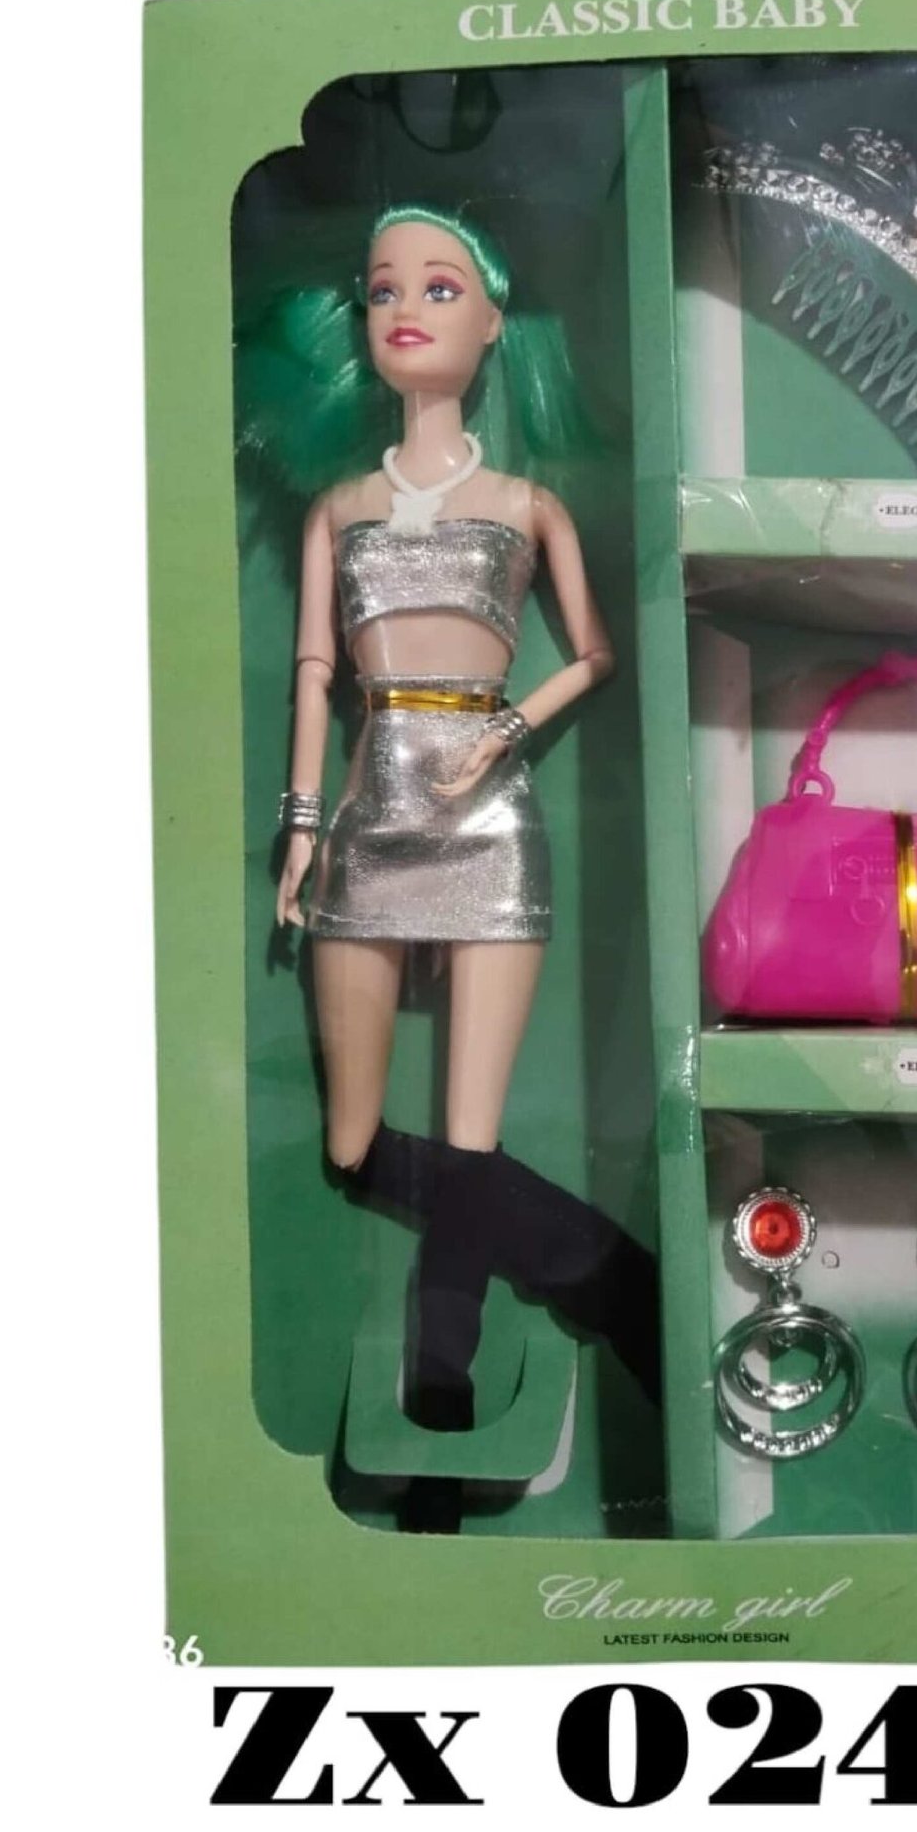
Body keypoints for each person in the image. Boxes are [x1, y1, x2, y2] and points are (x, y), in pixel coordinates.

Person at [249, 203, 660, 1531]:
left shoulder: (528, 507)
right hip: (370, 820)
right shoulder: (340, 510)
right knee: (352, 1145)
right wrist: (300, 827)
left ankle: (438, 1430)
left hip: (488, 824)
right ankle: (603, 1266)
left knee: (472, 1146)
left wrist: (507, 730)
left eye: (438, 288)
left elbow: (595, 655)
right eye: (383, 290)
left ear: (493, 321)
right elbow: (316, 676)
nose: (405, 311)